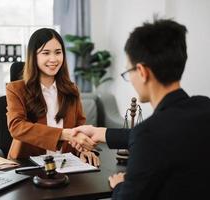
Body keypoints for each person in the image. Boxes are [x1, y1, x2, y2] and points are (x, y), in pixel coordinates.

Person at [72, 18, 210, 199]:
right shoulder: (204, 106)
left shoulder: (149, 134)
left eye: (128, 72)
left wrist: (119, 185)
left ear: (142, 72)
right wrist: (100, 132)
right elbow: (167, 136)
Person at [6, 28, 99, 167]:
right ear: (33, 56)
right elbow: (16, 127)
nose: (54, 59)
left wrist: (84, 149)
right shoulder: (16, 89)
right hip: (28, 165)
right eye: (46, 53)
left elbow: (79, 124)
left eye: (58, 52)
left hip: (66, 163)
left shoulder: (71, 89)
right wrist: (63, 134)